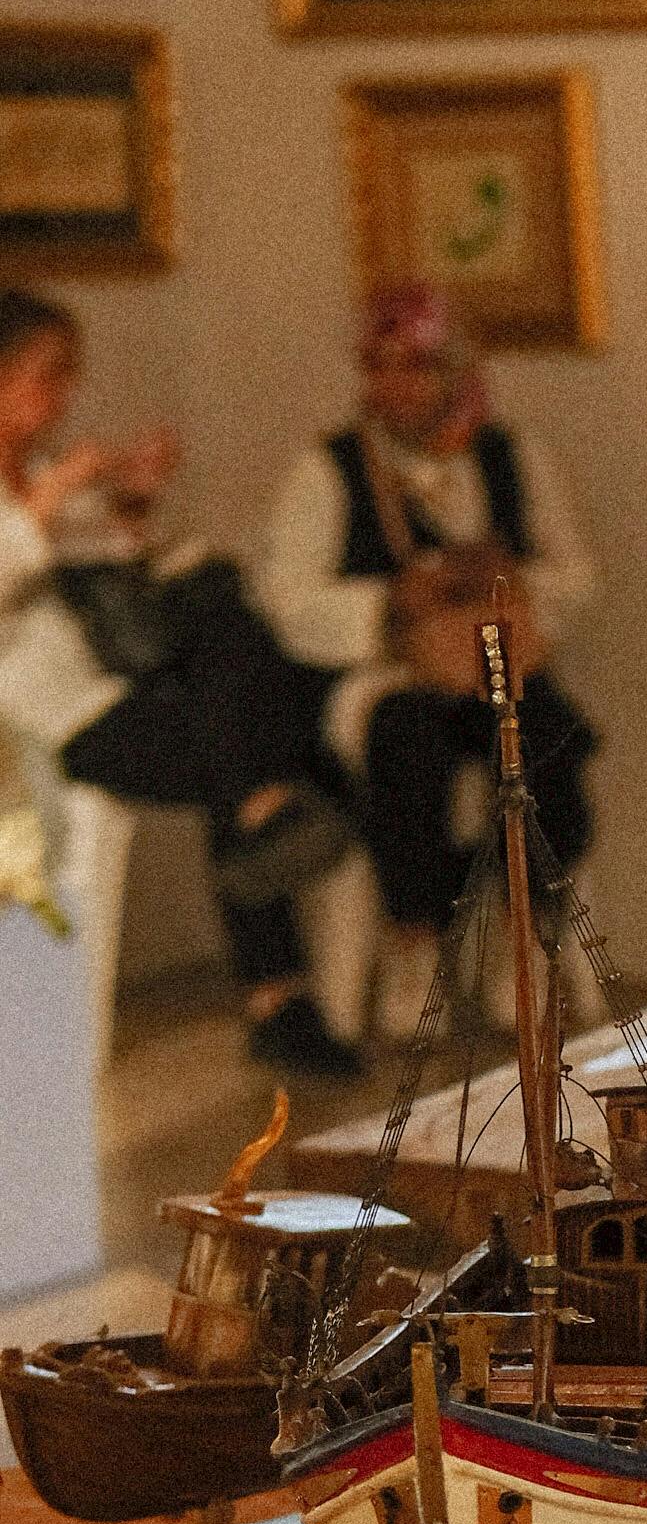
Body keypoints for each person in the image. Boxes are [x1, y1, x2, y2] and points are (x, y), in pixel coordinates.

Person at [0, 287, 362, 1079]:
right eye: (47, 375)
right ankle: (280, 991)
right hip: (46, 718)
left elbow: (108, 558)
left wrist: (129, 500)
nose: (62, 395)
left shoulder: (30, 472)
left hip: (118, 684)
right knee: (258, 747)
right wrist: (54, 497)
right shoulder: (28, 485)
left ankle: (277, 953)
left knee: (225, 611)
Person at [260, 286, 599, 1036]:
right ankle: (415, 938)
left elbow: (574, 575)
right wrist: (390, 602)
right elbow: (285, 599)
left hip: (495, 664)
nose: (396, 386)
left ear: (455, 369)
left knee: (544, 743)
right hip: (390, 674)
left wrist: (506, 576)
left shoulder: (510, 459)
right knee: (406, 745)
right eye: (379, 367)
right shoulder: (332, 470)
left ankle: (523, 928)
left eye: (416, 366)